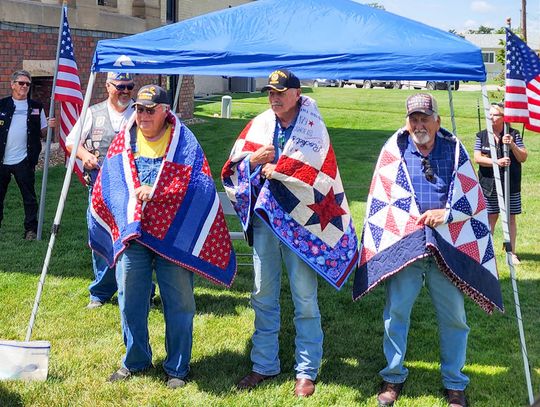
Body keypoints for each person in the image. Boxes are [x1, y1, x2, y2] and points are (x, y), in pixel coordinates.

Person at [353, 94, 503, 407]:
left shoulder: (455, 150)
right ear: (407, 122)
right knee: (396, 314)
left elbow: (473, 199)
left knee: (454, 318)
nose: (419, 124)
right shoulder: (395, 150)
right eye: (413, 119)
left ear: (437, 121)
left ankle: (455, 383)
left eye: (425, 118)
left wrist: (445, 215)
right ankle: (392, 377)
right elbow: (383, 198)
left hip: (447, 245)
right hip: (407, 247)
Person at [88, 85, 236, 388]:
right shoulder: (125, 138)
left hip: (174, 237)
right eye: (139, 109)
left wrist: (157, 191)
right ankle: (136, 361)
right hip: (134, 235)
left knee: (179, 302)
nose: (142, 115)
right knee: (130, 298)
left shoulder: (184, 143)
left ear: (165, 111)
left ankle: (177, 368)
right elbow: (111, 180)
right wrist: (129, 201)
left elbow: (198, 185)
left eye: (149, 110)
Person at [222, 69, 358, 398]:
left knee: (305, 299)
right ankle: (263, 364)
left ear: (297, 93)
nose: (274, 97)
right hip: (266, 221)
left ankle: (306, 370)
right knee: (262, 294)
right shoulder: (259, 124)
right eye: (270, 92)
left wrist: (278, 170)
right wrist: (253, 161)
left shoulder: (313, 128)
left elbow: (319, 172)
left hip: (302, 226)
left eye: (280, 92)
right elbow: (231, 169)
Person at [66, 72, 137, 308]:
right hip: (100, 190)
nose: (125, 91)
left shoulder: (141, 113)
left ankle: (139, 290)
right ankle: (101, 291)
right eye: (120, 86)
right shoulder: (92, 113)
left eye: (130, 86)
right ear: (108, 86)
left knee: (134, 241)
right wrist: (85, 156)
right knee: (102, 236)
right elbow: (70, 141)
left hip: (133, 191)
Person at [0, 70, 55, 240]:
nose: (24, 86)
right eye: (21, 83)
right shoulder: (2, 105)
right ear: (12, 84)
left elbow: (43, 133)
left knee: (29, 197)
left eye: (27, 84)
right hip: (2, 160)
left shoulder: (36, 107)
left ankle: (30, 230)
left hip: (25, 160)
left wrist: (50, 127)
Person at [473, 102, 528, 265]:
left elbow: (523, 157)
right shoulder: (481, 135)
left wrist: (511, 145)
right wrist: (496, 161)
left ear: (504, 117)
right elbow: (477, 158)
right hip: (489, 185)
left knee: (511, 218)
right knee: (490, 217)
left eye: (495, 114)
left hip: (510, 185)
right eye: (489, 114)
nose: (490, 117)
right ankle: (486, 252)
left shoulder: (514, 134)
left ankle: (511, 252)